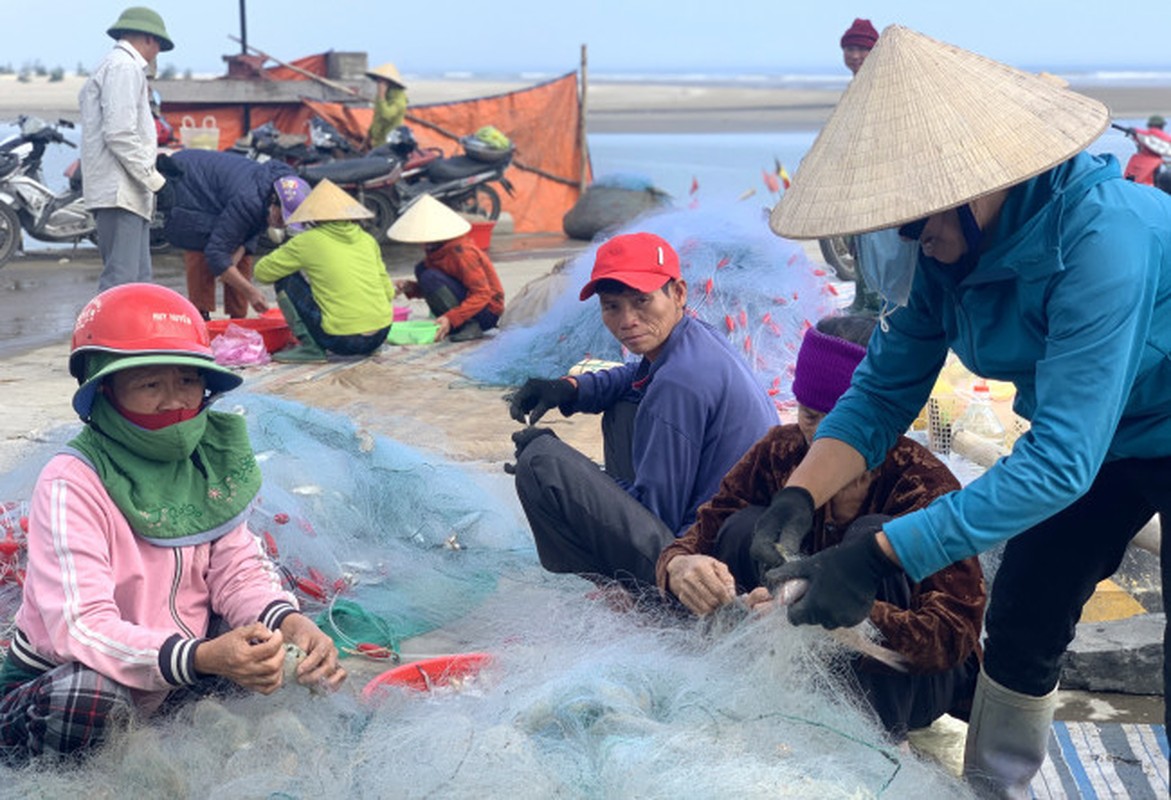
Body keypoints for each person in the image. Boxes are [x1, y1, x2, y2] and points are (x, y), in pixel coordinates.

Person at [767, 25, 1171, 798]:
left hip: (1128, 424)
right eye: (902, 225)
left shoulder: (1102, 242)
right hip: (1105, 436)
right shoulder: (951, 256)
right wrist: (795, 497)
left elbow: (1057, 462)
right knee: (1022, 614)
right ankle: (996, 786)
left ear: (985, 186)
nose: (917, 240)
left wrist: (878, 556)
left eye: (923, 221)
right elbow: (884, 390)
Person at [0, 284, 345, 762]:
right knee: (91, 697)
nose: (173, 402)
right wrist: (202, 659)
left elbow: (238, 570)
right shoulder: (72, 481)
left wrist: (288, 625)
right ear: (104, 391)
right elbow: (81, 628)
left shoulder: (208, 458)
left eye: (187, 381)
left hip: (170, 668)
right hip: (69, 676)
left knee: (261, 637)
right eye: (148, 384)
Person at [657, 314, 984, 742]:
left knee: (874, 534)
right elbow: (706, 528)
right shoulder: (778, 452)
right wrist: (680, 565)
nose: (822, 438)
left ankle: (876, 744)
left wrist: (850, 614)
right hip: (797, 664)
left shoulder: (921, 484)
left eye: (843, 421)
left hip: (909, 682)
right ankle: (763, 705)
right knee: (745, 527)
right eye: (810, 416)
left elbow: (953, 636)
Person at [507, 232, 777, 596]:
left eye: (642, 301)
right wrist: (570, 389)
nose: (627, 320)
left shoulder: (678, 384)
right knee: (621, 404)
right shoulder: (693, 338)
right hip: (725, 521)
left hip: (699, 559)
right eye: (612, 306)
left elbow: (656, 512)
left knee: (541, 460)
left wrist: (580, 477)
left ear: (678, 293)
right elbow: (631, 377)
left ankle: (627, 591)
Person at [79, 6, 174, 291]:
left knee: (138, 284)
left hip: (127, 191)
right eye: (158, 44)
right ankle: (104, 337)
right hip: (120, 191)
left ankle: (130, 337)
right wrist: (156, 181)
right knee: (120, 283)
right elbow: (119, 134)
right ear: (148, 39)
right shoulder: (124, 66)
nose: (157, 52)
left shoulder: (117, 65)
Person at [254, 179, 395, 363]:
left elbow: (261, 272)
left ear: (314, 216)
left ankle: (311, 348)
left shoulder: (308, 241)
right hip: (380, 335)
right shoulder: (367, 240)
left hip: (342, 341)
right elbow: (389, 292)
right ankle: (368, 343)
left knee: (285, 276)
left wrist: (289, 252)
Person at [161, 148, 296, 320]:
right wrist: (251, 291)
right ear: (274, 203)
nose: (282, 224)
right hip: (189, 183)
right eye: (281, 217)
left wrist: (236, 256)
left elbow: (253, 225)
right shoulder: (250, 198)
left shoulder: (281, 188)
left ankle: (238, 319)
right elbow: (216, 254)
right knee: (202, 244)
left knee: (240, 259)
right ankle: (201, 317)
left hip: (221, 191)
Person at [387, 195, 505, 342]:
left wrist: (452, 317)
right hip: (469, 303)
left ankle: (467, 325)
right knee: (422, 269)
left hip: (487, 312)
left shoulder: (462, 253)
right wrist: (410, 288)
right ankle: (456, 322)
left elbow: (482, 294)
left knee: (429, 275)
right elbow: (441, 290)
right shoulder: (436, 251)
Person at [837, 17, 884, 317]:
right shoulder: (855, 88)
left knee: (877, 242)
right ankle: (862, 297)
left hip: (876, 178)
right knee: (858, 242)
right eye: (849, 49)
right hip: (856, 179)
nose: (854, 55)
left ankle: (875, 301)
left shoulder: (881, 85)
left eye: (861, 49)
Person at [364, 62, 409, 151]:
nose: (378, 84)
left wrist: (381, 95)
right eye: (378, 81)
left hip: (389, 144)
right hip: (377, 141)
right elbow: (377, 117)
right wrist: (368, 137)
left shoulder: (399, 99)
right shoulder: (383, 96)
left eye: (381, 81)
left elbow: (386, 115)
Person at [1122, 114, 1171, 186]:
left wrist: (1134, 132)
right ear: (1162, 126)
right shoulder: (1163, 137)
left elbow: (1142, 134)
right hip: (1154, 163)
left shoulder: (1150, 134)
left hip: (1146, 163)